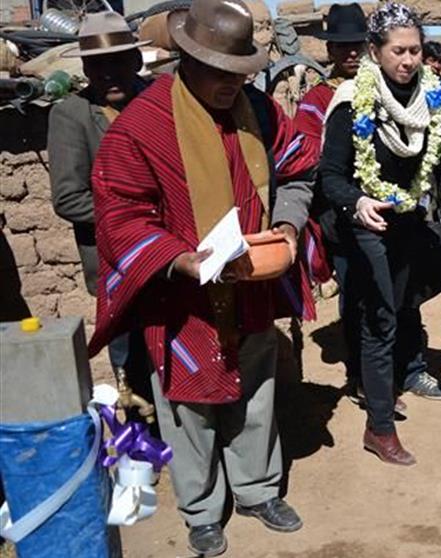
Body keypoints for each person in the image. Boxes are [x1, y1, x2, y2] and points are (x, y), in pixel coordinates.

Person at [87, 0, 319, 554]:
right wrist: (178, 258)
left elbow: (297, 170)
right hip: (181, 298)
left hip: (252, 284)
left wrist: (286, 226)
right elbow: (120, 209)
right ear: (188, 60)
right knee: (187, 403)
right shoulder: (143, 126)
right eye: (219, 73)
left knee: (257, 389)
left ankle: (258, 489)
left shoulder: (261, 112)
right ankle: (201, 509)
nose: (230, 85)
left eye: (239, 73)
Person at [320, 2, 441, 466]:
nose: (408, 61)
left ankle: (386, 385)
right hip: (367, 223)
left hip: (409, 221)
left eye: (415, 51)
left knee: (403, 306)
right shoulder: (351, 100)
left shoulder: (435, 98)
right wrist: (358, 202)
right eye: (398, 51)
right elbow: (332, 176)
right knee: (379, 317)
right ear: (374, 52)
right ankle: (378, 427)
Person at [48, 11, 152, 392]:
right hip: (117, 265)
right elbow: (69, 198)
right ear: (86, 69)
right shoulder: (72, 115)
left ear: (136, 61)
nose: (108, 72)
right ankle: (142, 443)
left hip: (174, 260)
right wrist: (142, 218)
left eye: (117, 60)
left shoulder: (160, 100)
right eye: (97, 64)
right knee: (133, 366)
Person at [292, 1, 370, 401]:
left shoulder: (383, 88)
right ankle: (360, 375)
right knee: (355, 294)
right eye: (342, 46)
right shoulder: (318, 100)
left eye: (356, 43)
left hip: (387, 209)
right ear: (330, 51)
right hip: (339, 214)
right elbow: (306, 158)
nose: (351, 52)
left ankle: (405, 366)